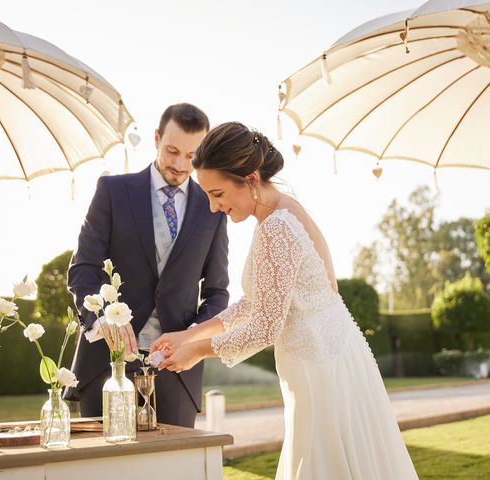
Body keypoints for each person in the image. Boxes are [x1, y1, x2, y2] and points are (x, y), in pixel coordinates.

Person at [150, 122, 419, 479]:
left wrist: (196, 351)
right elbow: (256, 302)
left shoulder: (276, 228)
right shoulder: (283, 213)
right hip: (328, 358)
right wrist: (190, 335)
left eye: (217, 194)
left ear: (249, 178)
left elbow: (265, 326)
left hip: (318, 366)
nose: (214, 208)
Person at [66, 103, 229, 428]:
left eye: (192, 155)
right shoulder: (112, 191)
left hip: (176, 371)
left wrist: (190, 340)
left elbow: (216, 293)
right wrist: (101, 319)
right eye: (172, 151)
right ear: (157, 138)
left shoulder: (213, 207)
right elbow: (82, 270)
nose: (182, 164)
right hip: (104, 365)